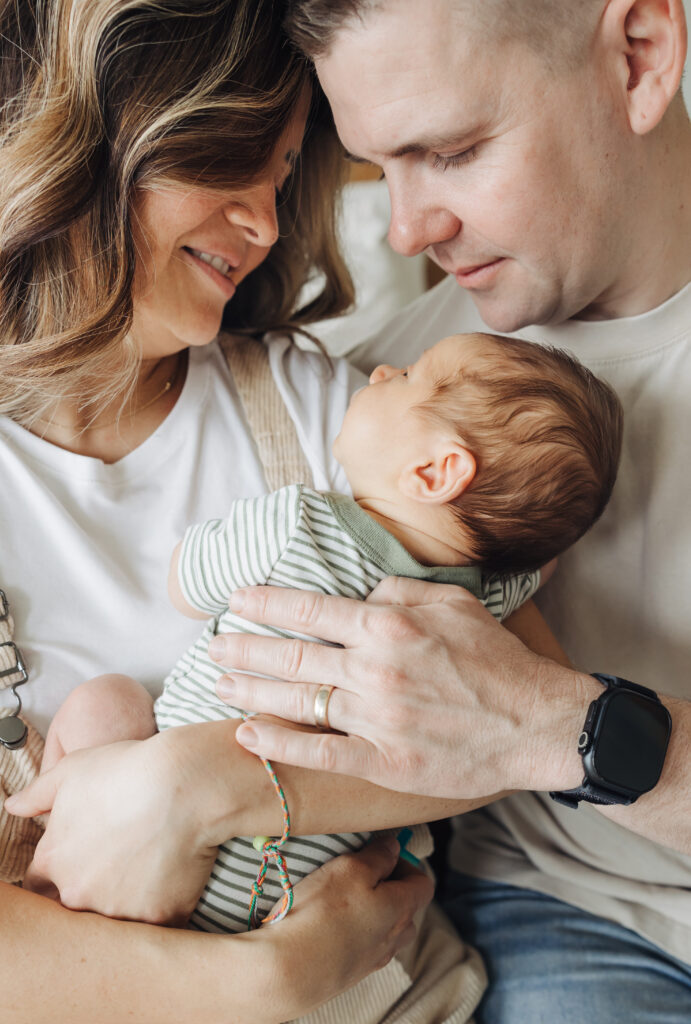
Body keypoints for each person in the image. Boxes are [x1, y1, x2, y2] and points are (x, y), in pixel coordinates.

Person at [186, 1, 691, 1021]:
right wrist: (175, 795)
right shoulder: (377, 398)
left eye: (451, 151)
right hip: (569, 919)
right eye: (380, 163)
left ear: (639, 57)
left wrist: (553, 724)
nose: (408, 228)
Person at [0, 3, 439, 1021]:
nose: (264, 222)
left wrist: (197, 779)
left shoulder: (312, 410)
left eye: (281, 171)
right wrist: (261, 981)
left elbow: (495, 709)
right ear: (82, 133)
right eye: (232, 159)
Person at [40, 331, 621, 943]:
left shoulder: (297, 522)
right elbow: (537, 582)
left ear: (435, 470)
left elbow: (185, 584)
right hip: (287, 896)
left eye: (407, 377)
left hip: (130, 856)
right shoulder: (481, 610)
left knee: (107, 701)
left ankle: (55, 842)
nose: (379, 372)